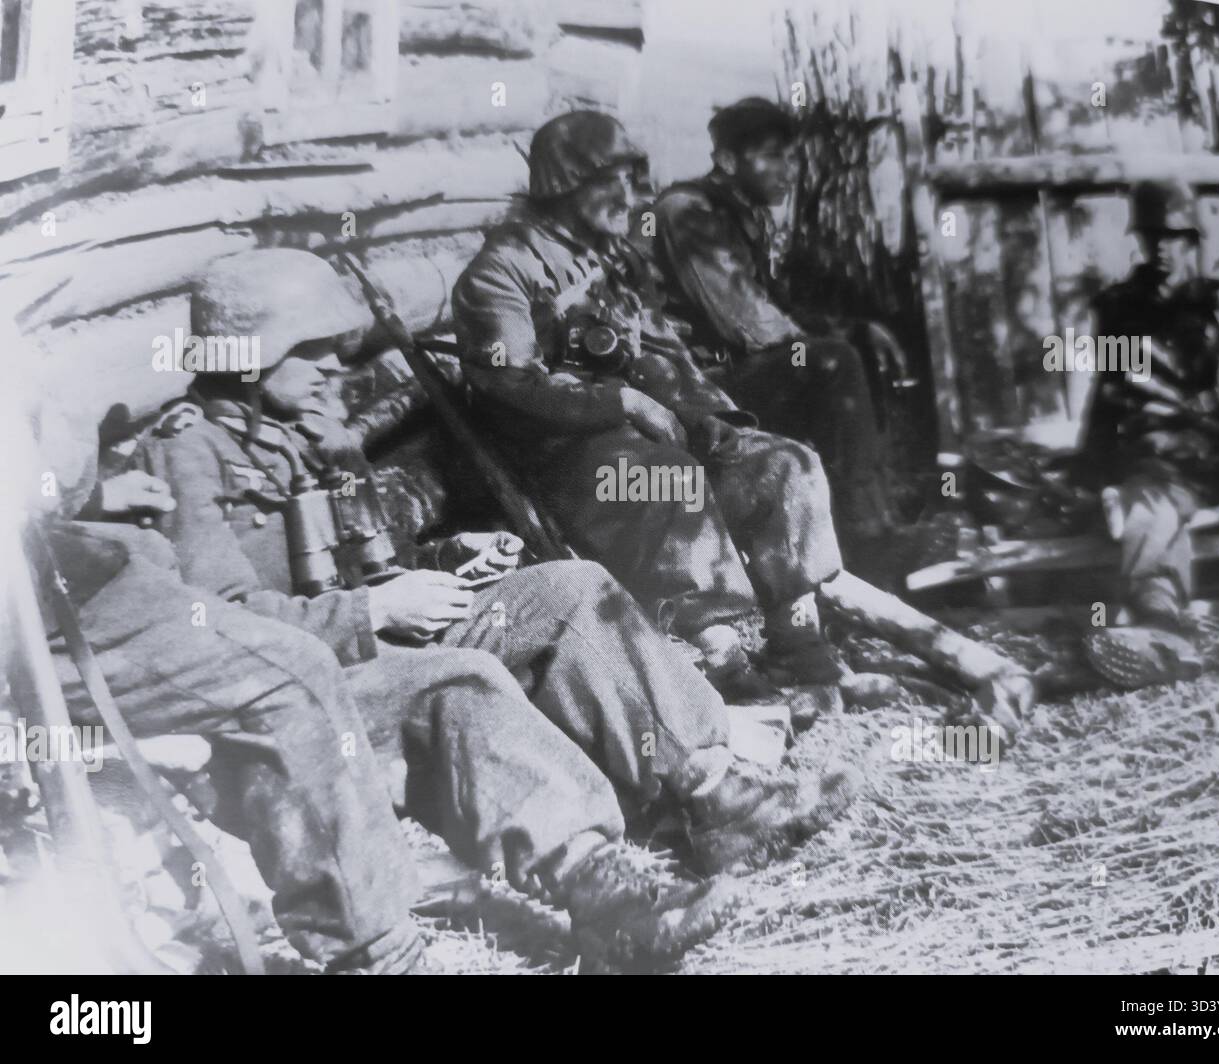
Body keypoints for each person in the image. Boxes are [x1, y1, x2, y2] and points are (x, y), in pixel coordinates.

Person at [133, 250, 859, 962]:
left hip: (373, 632)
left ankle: (716, 796)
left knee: (570, 591)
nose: (334, 366)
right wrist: (371, 612)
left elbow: (371, 559)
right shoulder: (188, 453)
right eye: (313, 348)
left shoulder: (306, 434)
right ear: (251, 356)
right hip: (307, 681)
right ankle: (600, 894)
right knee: (455, 683)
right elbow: (218, 623)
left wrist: (450, 561)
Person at [10, 339, 430, 974]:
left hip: (58, 567)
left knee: (284, 660)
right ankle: (375, 948)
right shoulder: (191, 442)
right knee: (290, 676)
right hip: (30, 609)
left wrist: (88, 496)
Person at [452, 110, 850, 695]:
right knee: (667, 480)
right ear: (564, 183)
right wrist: (623, 403)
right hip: (560, 458)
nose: (630, 196)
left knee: (783, 464)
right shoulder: (500, 272)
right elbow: (512, 384)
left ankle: (798, 647)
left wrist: (707, 417)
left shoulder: (613, 258)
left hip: (643, 433)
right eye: (611, 181)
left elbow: (664, 345)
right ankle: (718, 661)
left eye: (631, 179)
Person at [1078, 179, 1219, 687]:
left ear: (1193, 241)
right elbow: (1106, 395)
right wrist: (1087, 470)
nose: (1162, 247)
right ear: (1138, 238)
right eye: (1153, 234)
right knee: (1150, 506)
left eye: (1174, 236)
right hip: (1165, 457)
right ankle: (1160, 625)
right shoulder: (1119, 310)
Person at [653, 96, 898, 549]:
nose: (788, 171)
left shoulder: (743, 215)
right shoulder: (687, 212)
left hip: (733, 375)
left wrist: (853, 330)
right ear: (727, 159)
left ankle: (870, 506)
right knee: (831, 363)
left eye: (791, 158)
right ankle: (867, 535)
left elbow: (775, 307)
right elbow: (747, 321)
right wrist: (828, 345)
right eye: (772, 157)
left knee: (853, 347)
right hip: (692, 388)